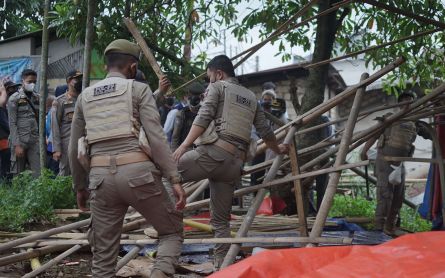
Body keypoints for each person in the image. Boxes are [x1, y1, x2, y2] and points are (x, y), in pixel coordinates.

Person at [69, 39, 185, 278]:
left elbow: (74, 147)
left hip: (100, 180)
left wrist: (80, 187)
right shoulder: (139, 90)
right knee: (171, 233)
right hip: (139, 174)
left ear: (106, 66)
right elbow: (156, 137)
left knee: (103, 257)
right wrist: (174, 178)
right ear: (133, 68)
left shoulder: (84, 97)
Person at [173, 55, 289, 269]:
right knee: (220, 221)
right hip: (234, 165)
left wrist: (184, 145)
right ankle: (222, 265)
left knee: (167, 170)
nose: (209, 83)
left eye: (210, 78)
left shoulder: (219, 88)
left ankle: (169, 240)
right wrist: (277, 148)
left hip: (213, 154)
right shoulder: (251, 97)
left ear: (218, 74)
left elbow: (204, 116)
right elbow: (265, 130)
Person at [360, 90, 420, 235]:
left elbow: (429, 134)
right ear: (399, 102)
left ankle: (390, 226)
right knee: (385, 195)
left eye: (410, 99)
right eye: (404, 99)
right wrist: (364, 151)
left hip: (400, 165)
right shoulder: (389, 118)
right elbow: (374, 135)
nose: (407, 102)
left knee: (398, 197)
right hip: (385, 162)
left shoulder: (415, 122)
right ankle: (379, 229)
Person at [7, 69, 40, 177]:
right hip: (20, 140)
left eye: (34, 82)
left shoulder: (37, 97)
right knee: (18, 175)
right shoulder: (14, 99)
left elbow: (39, 119)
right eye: (30, 81)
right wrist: (16, 145)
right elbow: (12, 123)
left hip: (34, 140)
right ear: (23, 81)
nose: (32, 84)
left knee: (38, 174)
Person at [51, 70, 83, 176]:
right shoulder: (60, 101)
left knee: (84, 173)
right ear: (69, 81)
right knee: (65, 173)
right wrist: (56, 149)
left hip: (84, 142)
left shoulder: (84, 98)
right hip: (66, 144)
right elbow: (54, 126)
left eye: (81, 79)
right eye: (77, 79)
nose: (80, 81)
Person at [171, 82, 205, 151]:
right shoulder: (182, 113)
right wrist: (174, 152)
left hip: (199, 151)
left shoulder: (206, 113)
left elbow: (175, 137)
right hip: (185, 151)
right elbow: (175, 137)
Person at [0, 81, 18, 181]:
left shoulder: (7, 106)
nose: (13, 91)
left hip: (6, 140)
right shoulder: (2, 107)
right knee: (5, 166)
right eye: (10, 89)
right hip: (3, 141)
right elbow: (6, 125)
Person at [45, 95, 59, 174]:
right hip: (53, 143)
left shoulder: (48, 113)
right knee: (54, 167)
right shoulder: (53, 112)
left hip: (50, 144)